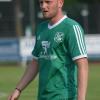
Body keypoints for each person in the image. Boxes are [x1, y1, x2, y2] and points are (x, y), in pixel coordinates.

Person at [8, 0, 88, 100]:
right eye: (41, 2)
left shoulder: (72, 28)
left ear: (60, 3)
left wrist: (81, 98)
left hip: (65, 96)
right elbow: (35, 62)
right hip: (43, 96)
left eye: (48, 2)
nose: (43, 6)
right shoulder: (41, 28)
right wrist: (18, 89)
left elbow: (82, 64)